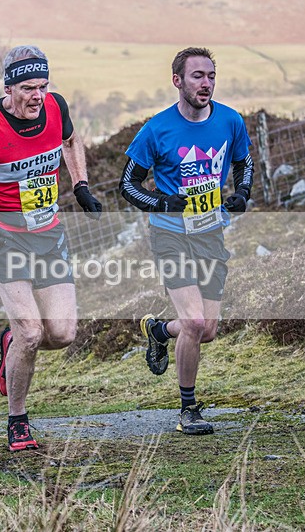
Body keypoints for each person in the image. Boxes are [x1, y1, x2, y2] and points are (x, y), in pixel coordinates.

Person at [0, 45, 102, 452]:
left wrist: (80, 184)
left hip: (48, 235)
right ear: (8, 87)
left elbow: (70, 139)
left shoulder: (55, 108)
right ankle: (18, 419)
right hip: (3, 237)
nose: (37, 96)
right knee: (31, 331)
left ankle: (11, 345)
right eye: (28, 87)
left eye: (43, 86)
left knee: (62, 334)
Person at [119, 47, 254, 435]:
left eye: (211, 75)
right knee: (194, 321)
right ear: (177, 81)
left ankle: (159, 332)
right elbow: (127, 184)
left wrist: (242, 194)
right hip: (170, 235)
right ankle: (188, 409)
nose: (206, 83)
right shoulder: (157, 129)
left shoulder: (230, 121)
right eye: (197, 76)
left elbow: (244, 163)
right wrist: (162, 201)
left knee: (207, 330)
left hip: (210, 233)